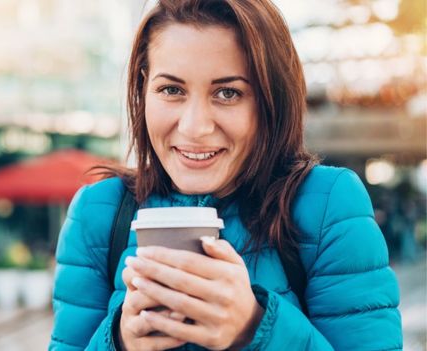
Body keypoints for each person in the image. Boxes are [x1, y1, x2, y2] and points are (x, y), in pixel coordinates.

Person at [49, 0, 402, 350]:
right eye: (171, 90)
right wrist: (121, 341)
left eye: (228, 93)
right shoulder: (98, 212)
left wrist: (255, 327)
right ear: (143, 90)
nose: (195, 127)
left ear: (269, 102)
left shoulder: (329, 206)